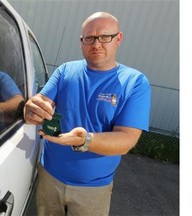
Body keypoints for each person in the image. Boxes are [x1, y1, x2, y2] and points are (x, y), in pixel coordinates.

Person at [24, 12, 151, 215]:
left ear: (118, 38)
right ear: (81, 41)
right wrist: (31, 109)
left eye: (105, 37)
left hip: (93, 190)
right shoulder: (65, 71)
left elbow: (127, 140)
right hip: (49, 178)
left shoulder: (134, 82)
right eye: (89, 38)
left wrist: (85, 140)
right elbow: (41, 102)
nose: (97, 44)